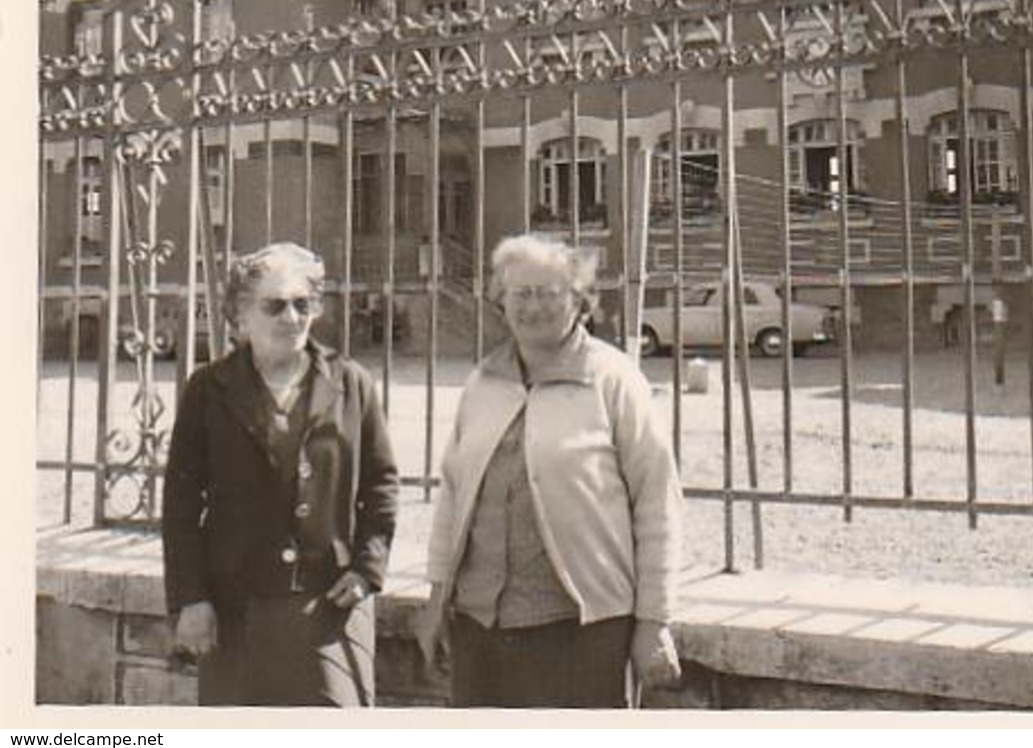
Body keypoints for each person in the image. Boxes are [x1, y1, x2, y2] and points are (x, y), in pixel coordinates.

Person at [417, 232, 684, 708]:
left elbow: (657, 504)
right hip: (480, 626)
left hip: (581, 630)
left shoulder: (614, 379)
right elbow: (454, 496)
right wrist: (437, 599)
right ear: (500, 299)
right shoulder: (484, 380)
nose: (532, 306)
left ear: (580, 302)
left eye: (549, 293)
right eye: (521, 293)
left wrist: (654, 623)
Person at [162, 242, 398, 706]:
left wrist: (368, 568)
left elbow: (381, 484)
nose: (291, 317)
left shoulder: (351, 384)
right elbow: (181, 505)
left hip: (328, 604)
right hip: (236, 608)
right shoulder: (208, 390)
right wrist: (190, 598)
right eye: (274, 306)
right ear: (240, 316)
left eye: (302, 304)